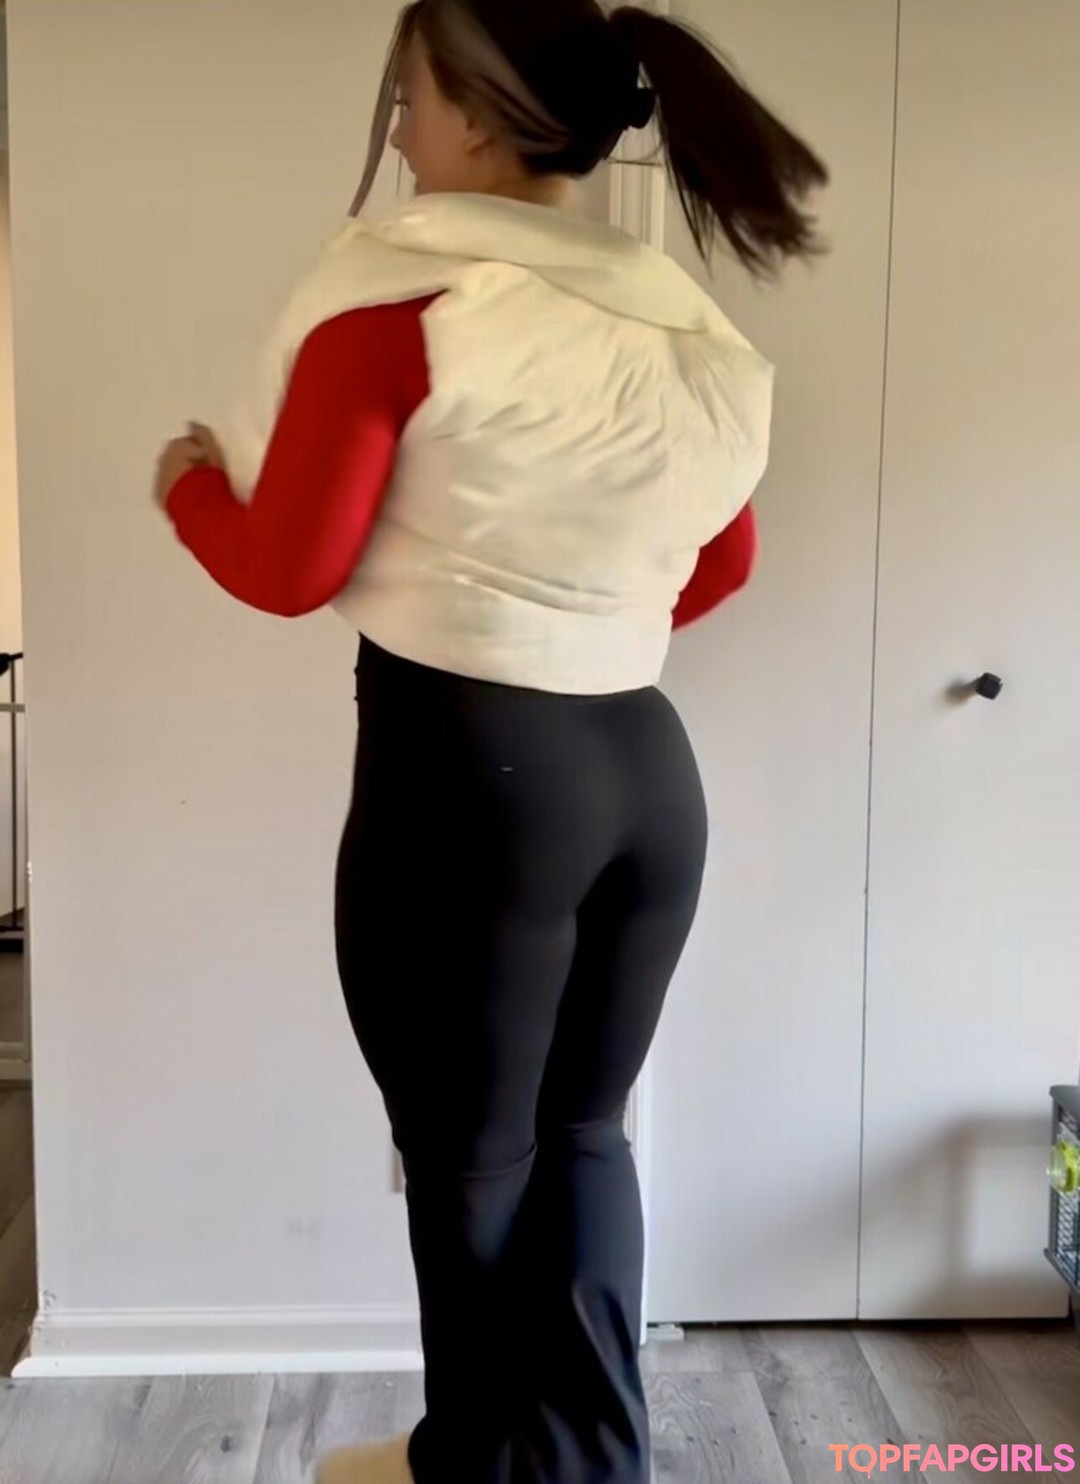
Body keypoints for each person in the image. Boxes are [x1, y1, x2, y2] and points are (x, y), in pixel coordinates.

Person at [154, 2, 827, 1480]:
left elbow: (287, 567)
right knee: (586, 1133)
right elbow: (717, 565)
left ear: (472, 110)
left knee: (470, 1163)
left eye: (404, 99)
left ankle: (470, 1466)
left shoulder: (406, 306)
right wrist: (574, 612)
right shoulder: (683, 331)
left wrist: (186, 484)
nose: (398, 134)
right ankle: (589, 1460)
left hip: (473, 777)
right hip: (647, 774)